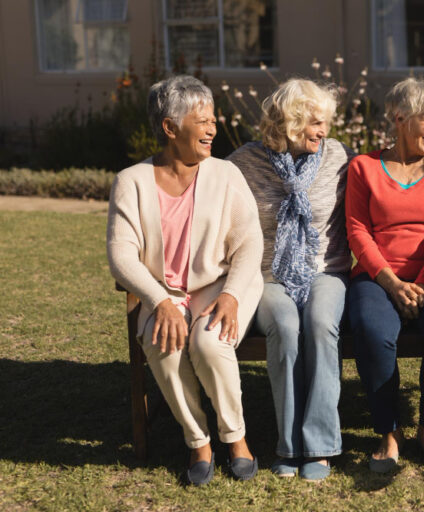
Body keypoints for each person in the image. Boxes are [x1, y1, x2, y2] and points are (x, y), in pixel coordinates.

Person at [107, 75, 263, 486]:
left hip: (220, 285)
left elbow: (249, 242)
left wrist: (231, 296)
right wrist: (158, 301)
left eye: (213, 119)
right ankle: (198, 441)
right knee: (164, 343)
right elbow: (121, 255)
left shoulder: (225, 174)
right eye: (202, 120)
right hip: (164, 292)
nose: (212, 128)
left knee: (209, 344)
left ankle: (236, 437)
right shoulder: (130, 182)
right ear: (170, 127)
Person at [227, 79, 355, 481]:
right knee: (285, 325)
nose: (324, 130)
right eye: (316, 122)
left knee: (318, 323)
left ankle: (318, 444)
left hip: (325, 269)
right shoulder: (241, 164)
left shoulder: (337, 156)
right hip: (265, 275)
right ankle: (288, 443)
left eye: (326, 122)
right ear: (291, 121)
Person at [345, 77, 424, 473]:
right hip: (378, 277)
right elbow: (357, 230)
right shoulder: (363, 167)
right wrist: (392, 283)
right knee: (371, 329)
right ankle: (388, 432)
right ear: (400, 118)